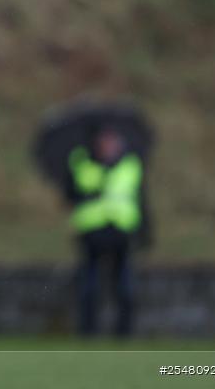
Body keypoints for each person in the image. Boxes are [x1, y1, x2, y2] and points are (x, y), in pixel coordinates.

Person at [67, 125, 149, 336]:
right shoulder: (82, 163)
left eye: (112, 141)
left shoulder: (130, 165)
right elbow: (70, 193)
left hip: (121, 230)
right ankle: (88, 331)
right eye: (104, 141)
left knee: (124, 284)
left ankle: (124, 331)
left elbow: (140, 198)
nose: (109, 146)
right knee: (89, 284)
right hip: (92, 230)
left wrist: (144, 231)